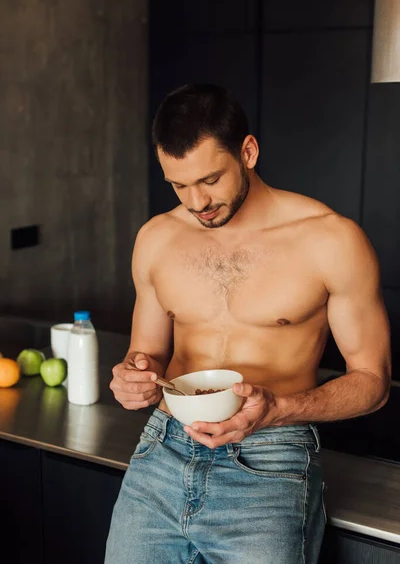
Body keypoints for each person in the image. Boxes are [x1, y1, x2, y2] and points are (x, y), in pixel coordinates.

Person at [105, 83, 391, 564]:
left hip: (271, 457)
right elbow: (146, 355)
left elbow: (373, 383)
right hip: (163, 450)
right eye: (179, 184)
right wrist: (133, 378)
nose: (197, 202)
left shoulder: (330, 241)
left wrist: (277, 408)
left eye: (210, 179)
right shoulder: (156, 239)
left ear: (249, 151)